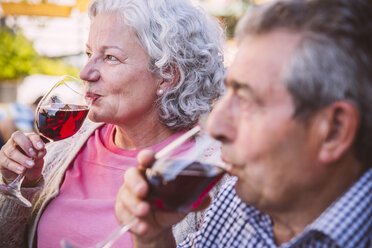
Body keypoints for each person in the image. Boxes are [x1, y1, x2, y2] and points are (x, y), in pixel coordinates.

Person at [115, 0, 372, 247]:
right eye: (227, 93)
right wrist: (153, 239)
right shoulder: (239, 199)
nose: (214, 125)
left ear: (333, 131)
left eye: (246, 100)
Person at [0, 0, 226, 247]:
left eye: (110, 58)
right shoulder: (65, 146)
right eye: (89, 54)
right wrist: (22, 183)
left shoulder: (212, 174)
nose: (86, 73)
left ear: (167, 76)